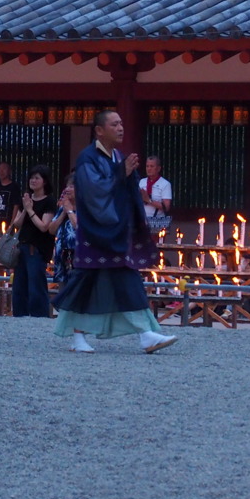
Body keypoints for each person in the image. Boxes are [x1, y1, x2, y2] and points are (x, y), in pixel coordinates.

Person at [52, 110, 177, 354]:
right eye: (114, 124)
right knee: (86, 281)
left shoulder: (117, 156)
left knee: (123, 278)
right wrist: (122, 173)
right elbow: (93, 192)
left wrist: (127, 176)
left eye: (121, 123)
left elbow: (126, 188)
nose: (120, 128)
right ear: (99, 130)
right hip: (95, 230)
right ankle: (85, 337)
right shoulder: (87, 157)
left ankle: (146, 334)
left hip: (115, 230)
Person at [10, 165, 56, 317]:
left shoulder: (49, 201)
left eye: (37, 178)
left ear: (45, 181)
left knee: (36, 286)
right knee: (18, 286)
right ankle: (20, 316)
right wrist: (25, 208)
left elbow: (44, 226)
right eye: (31, 177)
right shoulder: (28, 200)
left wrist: (30, 210)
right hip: (22, 246)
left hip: (36, 248)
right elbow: (16, 224)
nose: (33, 181)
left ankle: (39, 318)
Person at [47, 174, 79, 286]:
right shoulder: (63, 208)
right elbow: (51, 229)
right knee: (62, 293)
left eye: (72, 186)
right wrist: (64, 212)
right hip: (62, 258)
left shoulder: (86, 208)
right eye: (67, 186)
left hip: (79, 257)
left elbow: (79, 228)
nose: (67, 189)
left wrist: (70, 211)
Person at [139, 155, 172, 224]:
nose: (149, 169)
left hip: (158, 221)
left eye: (152, 166)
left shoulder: (165, 184)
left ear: (158, 168)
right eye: (147, 166)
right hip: (142, 220)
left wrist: (149, 200)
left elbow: (166, 207)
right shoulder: (142, 182)